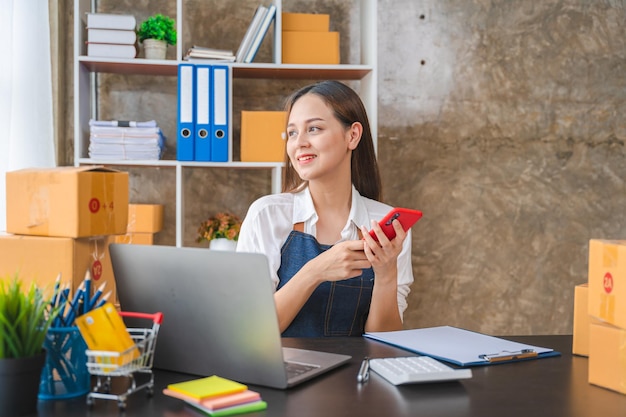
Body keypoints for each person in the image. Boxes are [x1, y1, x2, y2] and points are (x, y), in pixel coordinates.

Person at [236, 80, 414, 337]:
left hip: (357, 375)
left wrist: (386, 274)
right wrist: (314, 272)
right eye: (293, 133)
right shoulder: (267, 215)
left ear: (352, 135)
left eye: (314, 129)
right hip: (285, 375)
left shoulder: (387, 226)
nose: (300, 143)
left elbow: (384, 345)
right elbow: (252, 333)